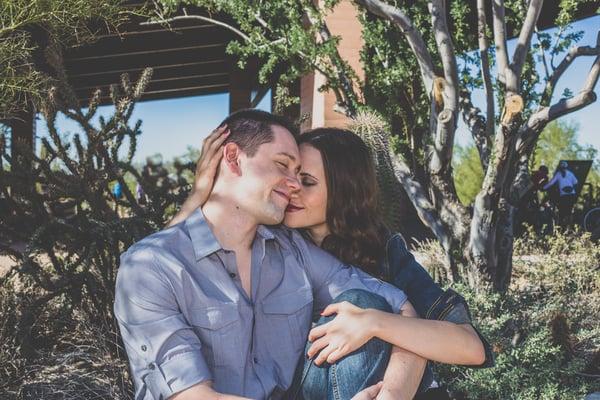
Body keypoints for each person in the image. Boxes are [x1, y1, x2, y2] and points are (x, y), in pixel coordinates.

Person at [169, 121, 493, 399]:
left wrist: (374, 324)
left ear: (344, 190)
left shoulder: (384, 252)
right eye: (289, 174)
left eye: (306, 181)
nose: (291, 188)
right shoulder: (270, 240)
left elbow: (470, 347)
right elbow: (170, 260)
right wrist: (199, 195)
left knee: (363, 301)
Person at [115, 110, 423, 400]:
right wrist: (198, 196)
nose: (293, 185)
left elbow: (400, 310)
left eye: (300, 174)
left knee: (365, 307)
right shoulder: (150, 267)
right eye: (282, 165)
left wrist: (393, 394)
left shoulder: (292, 250)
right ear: (233, 157)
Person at [543, 161, 578, 226]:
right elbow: (576, 182)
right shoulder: (567, 174)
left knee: (565, 212)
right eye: (562, 168)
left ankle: (566, 227)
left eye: (563, 168)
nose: (563, 169)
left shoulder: (562, 174)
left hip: (567, 195)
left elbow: (551, 183)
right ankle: (566, 227)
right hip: (568, 195)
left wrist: (544, 188)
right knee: (566, 212)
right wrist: (571, 188)